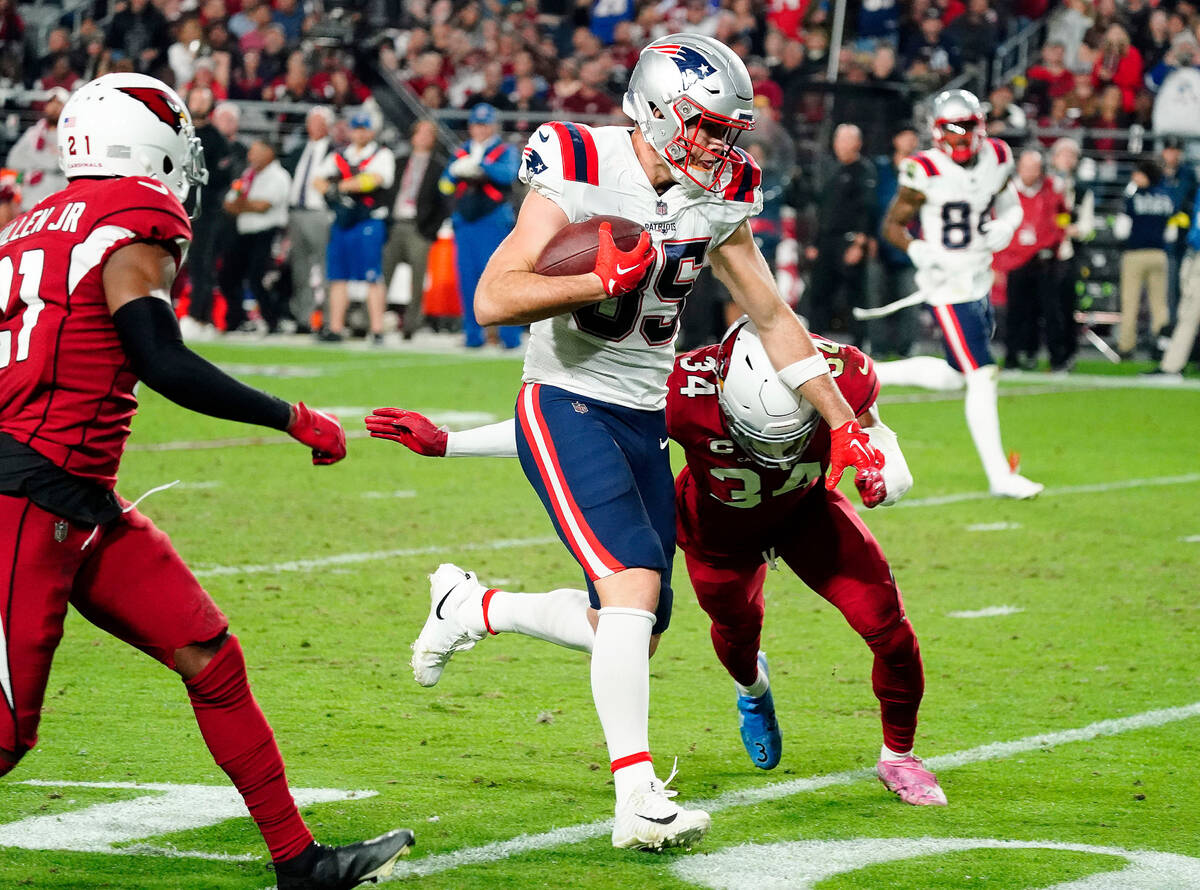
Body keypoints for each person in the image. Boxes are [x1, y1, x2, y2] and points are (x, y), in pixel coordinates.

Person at [385, 33, 885, 853]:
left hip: (642, 415)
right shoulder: (578, 159)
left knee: (635, 623)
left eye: (728, 132)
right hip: (563, 399)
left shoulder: (715, 194)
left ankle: (471, 607)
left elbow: (769, 314)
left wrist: (843, 423)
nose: (720, 147)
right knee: (631, 584)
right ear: (654, 110)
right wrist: (593, 281)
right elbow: (492, 297)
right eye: (706, 127)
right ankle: (637, 799)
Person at [0, 73, 412, 889]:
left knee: (212, 660)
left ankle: (301, 865)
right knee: (6, 734)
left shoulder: (28, 224)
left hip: (74, 493)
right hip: (29, 494)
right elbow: (160, 360)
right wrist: (290, 418)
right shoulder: (130, 217)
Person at [366, 322, 948, 807]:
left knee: (886, 626)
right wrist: (450, 443)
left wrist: (889, 475)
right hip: (716, 531)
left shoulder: (840, 369)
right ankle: (752, 689)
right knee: (733, 640)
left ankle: (899, 755)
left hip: (808, 511)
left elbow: (876, 432)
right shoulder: (680, 390)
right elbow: (562, 431)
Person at [878, 89, 1042, 499]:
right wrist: (921, 251)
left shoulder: (998, 156)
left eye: (967, 128)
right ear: (937, 132)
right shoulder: (923, 169)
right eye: (953, 129)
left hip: (978, 278)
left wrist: (1007, 225)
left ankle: (864, 371)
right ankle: (999, 476)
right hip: (946, 284)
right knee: (982, 374)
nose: (961, 138)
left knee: (955, 376)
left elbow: (1009, 206)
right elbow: (893, 226)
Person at [438, 102, 523, 349]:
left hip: (493, 221)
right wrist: (454, 173)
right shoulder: (461, 151)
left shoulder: (504, 150)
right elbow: (444, 186)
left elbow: (508, 175)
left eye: (485, 124)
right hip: (466, 222)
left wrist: (480, 167)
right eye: (476, 124)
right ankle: (473, 335)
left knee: (500, 278)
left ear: (494, 126)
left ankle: (509, 337)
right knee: (468, 279)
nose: (480, 129)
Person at [312, 111, 396, 344]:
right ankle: (336, 327)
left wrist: (339, 187)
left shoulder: (381, 154)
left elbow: (375, 179)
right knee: (338, 276)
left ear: (372, 131)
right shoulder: (340, 155)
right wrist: (334, 188)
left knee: (372, 276)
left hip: (368, 219)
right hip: (343, 221)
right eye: (356, 128)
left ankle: (377, 329)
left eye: (364, 128)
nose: (360, 133)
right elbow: (317, 179)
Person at [996, 150, 1069, 371]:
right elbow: (997, 226)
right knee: (1015, 313)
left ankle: (1058, 359)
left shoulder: (1052, 189)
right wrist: (998, 262)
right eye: (1026, 168)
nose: (1030, 173)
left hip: (1043, 258)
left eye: (1034, 168)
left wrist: (1056, 240)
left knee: (1050, 311)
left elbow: (1062, 216)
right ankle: (1012, 357)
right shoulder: (1007, 192)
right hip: (1015, 259)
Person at [804, 124, 878, 344]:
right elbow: (823, 211)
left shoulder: (864, 171)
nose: (841, 145)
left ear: (858, 143)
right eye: (838, 139)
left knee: (854, 296)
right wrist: (815, 243)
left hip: (849, 240)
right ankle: (814, 343)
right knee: (818, 294)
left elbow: (868, 210)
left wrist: (859, 244)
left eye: (847, 140)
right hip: (826, 241)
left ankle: (860, 345)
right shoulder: (831, 171)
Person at [384, 119, 449, 340]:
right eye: (420, 133)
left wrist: (430, 230)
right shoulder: (399, 161)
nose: (423, 137)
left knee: (417, 279)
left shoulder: (439, 166)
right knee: (382, 275)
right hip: (395, 222)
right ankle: (372, 319)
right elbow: (388, 191)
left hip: (419, 227)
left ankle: (411, 324)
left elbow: (443, 202)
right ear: (412, 136)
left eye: (429, 133)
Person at [179, 87, 235, 341]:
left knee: (203, 264)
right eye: (195, 98)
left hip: (204, 211)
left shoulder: (215, 139)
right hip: (177, 206)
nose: (199, 102)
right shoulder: (180, 134)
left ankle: (199, 316)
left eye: (204, 99)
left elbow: (224, 176)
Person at [219, 139, 291, 333]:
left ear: (269, 152)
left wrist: (241, 206)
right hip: (245, 233)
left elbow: (263, 206)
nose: (251, 156)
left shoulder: (279, 176)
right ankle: (238, 319)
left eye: (256, 151)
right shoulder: (248, 175)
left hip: (267, 233)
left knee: (258, 278)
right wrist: (246, 205)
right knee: (227, 276)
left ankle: (273, 321)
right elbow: (228, 204)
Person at [1114, 160, 1176, 359]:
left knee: (1130, 302)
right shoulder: (1167, 199)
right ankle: (1161, 345)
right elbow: (1171, 234)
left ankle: (1126, 347)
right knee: (1159, 305)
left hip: (1135, 254)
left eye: (1138, 173)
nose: (1134, 177)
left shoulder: (1132, 198)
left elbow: (1120, 230)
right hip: (1159, 255)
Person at [282, 106, 335, 335]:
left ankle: (328, 320)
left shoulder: (335, 151)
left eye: (318, 121)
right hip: (296, 212)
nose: (312, 126)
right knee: (300, 269)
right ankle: (303, 319)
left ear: (328, 125)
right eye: (311, 121)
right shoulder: (299, 150)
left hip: (319, 212)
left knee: (324, 268)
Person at [1146, 180, 1200, 378]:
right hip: (1194, 253)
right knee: (1188, 310)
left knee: (1189, 312)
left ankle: (1172, 366)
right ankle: (1172, 365)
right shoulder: (1195, 190)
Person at [5, 88, 69, 209]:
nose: (53, 107)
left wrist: (32, 158)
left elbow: (59, 164)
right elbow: (13, 160)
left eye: (58, 103)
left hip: (58, 200)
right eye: (50, 103)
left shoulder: (70, 133)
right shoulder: (33, 133)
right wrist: (49, 160)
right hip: (30, 201)